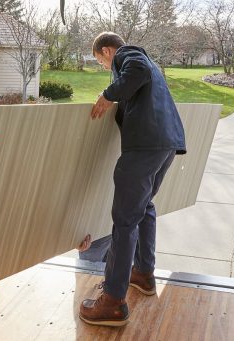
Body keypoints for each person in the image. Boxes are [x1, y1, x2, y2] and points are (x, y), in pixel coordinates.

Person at [78, 32, 186, 327]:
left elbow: (133, 72)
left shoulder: (130, 55)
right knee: (144, 208)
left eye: (102, 62)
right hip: (165, 144)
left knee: (124, 220)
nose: (105, 68)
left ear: (108, 50)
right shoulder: (150, 66)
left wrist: (108, 94)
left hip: (144, 147)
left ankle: (113, 301)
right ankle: (143, 273)